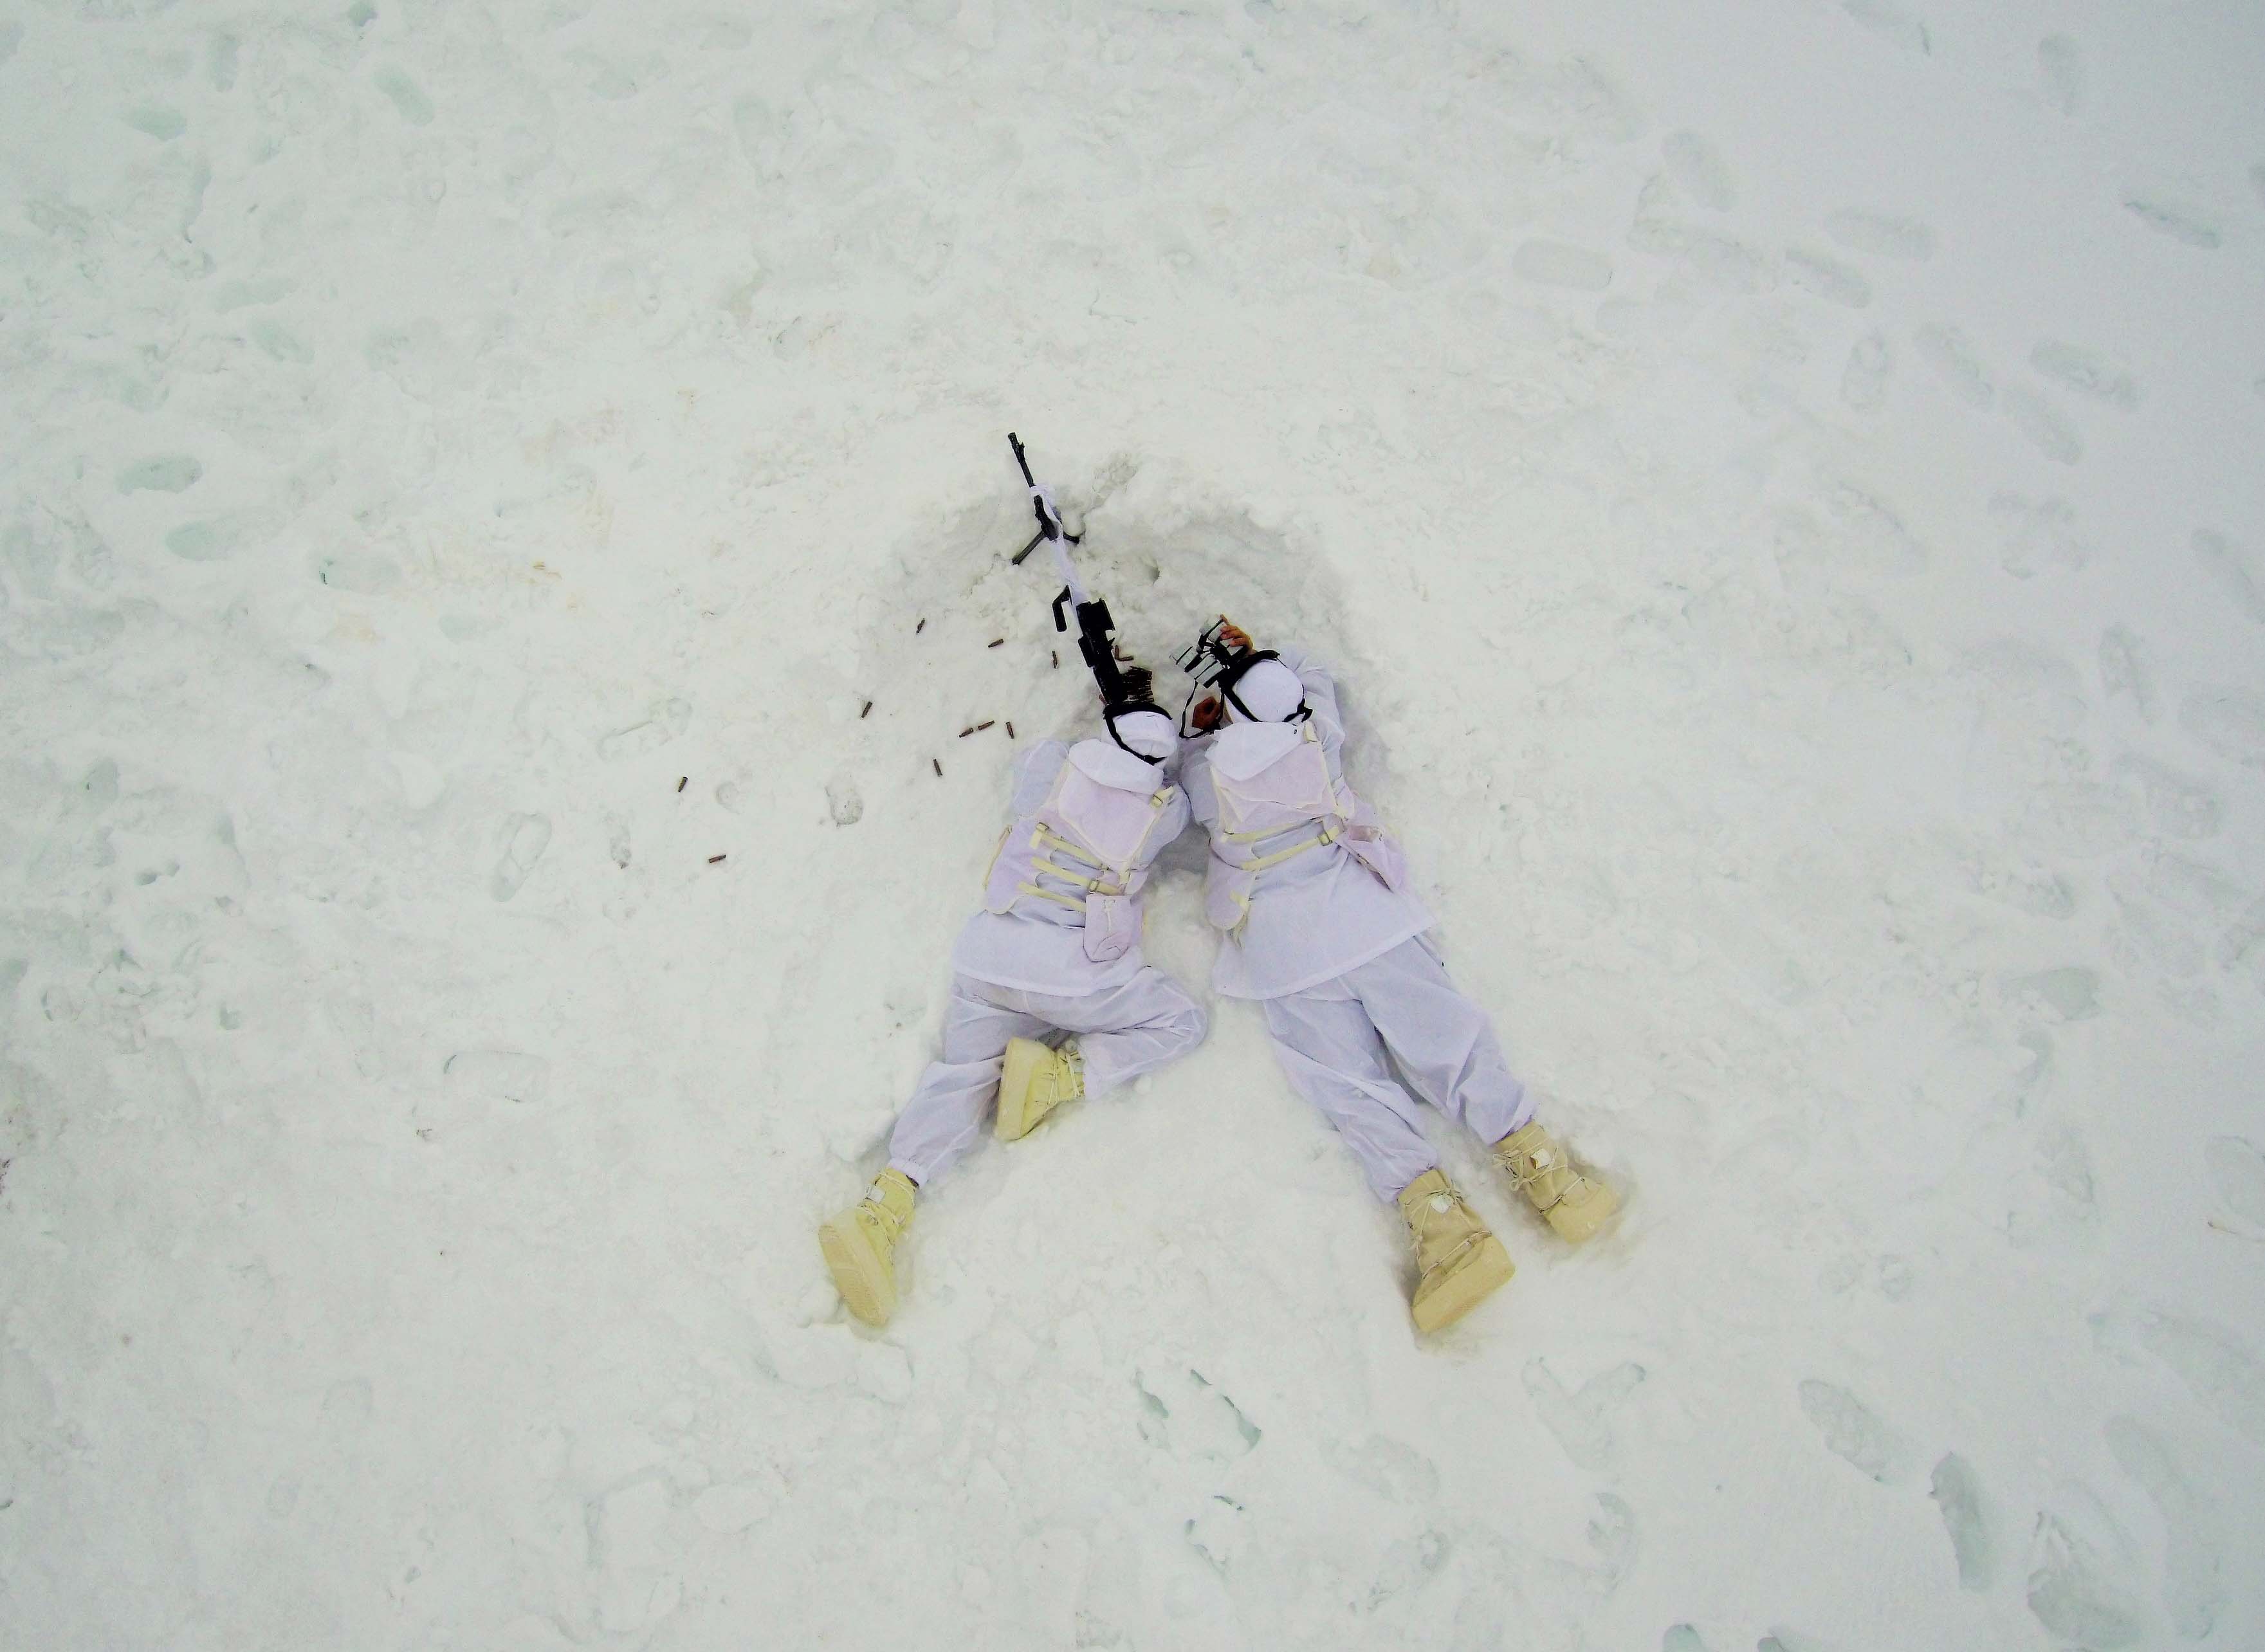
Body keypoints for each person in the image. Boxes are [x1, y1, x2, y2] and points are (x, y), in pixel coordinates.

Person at [1177, 623, 1617, 1332]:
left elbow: (1183, 772)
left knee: (1349, 1088)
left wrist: (1199, 728)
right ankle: (1551, 1180)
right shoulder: (1316, 731)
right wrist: (1254, 656)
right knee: (1451, 1042)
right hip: (1368, 920)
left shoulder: (1211, 774)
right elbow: (1311, 674)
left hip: (1288, 953)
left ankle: (1447, 1233)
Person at [819, 668, 1207, 1327]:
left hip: (990, 959)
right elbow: (1186, 792)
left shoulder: (1051, 768)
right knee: (1180, 1021)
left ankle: (884, 1206)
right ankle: (1060, 1073)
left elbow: (1046, 763)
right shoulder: (1160, 813)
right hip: (1075, 975)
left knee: (962, 1074)